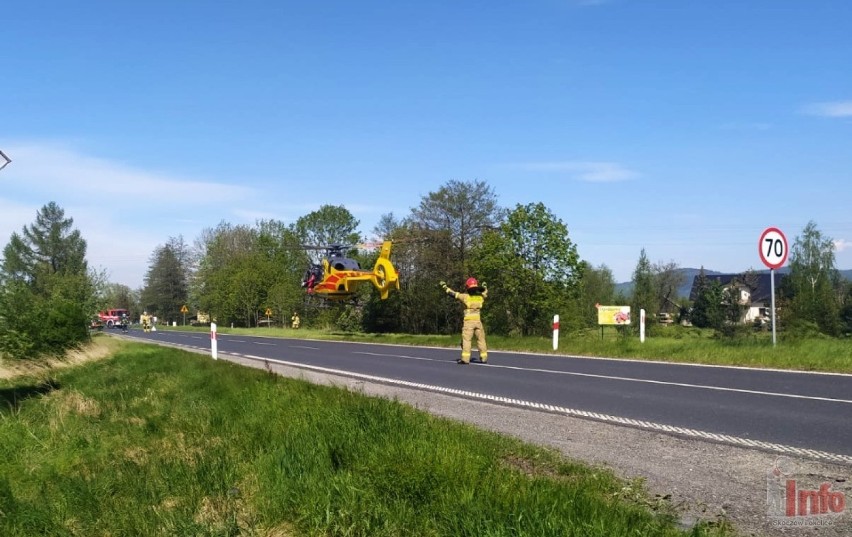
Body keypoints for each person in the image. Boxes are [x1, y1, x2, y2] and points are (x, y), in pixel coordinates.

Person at [441, 277, 488, 365]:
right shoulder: (480, 297)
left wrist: (444, 287)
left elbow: (453, 294)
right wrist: (484, 286)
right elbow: (485, 292)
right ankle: (484, 357)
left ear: (468, 287)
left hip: (469, 323)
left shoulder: (465, 297)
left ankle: (465, 359)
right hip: (478, 322)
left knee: (466, 340)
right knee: (481, 339)